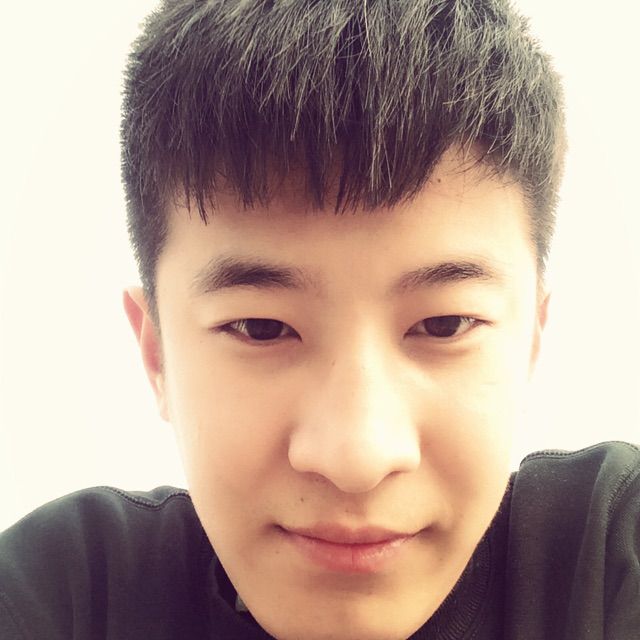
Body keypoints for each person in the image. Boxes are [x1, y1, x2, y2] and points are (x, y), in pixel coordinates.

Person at [1, 0, 638, 638]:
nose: (356, 458)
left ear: (531, 342)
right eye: (261, 328)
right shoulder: (65, 593)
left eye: (445, 325)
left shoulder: (609, 558)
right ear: (156, 355)